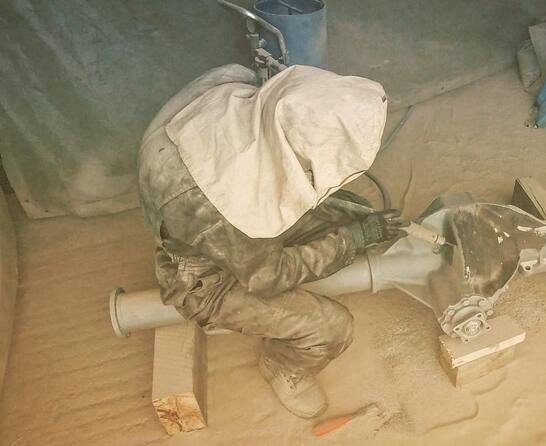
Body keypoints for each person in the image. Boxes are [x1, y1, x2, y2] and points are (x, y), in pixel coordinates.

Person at [138, 64, 407, 418]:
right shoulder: (227, 207)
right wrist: (351, 242)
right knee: (330, 328)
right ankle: (284, 367)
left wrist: (352, 229)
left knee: (351, 212)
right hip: (205, 275)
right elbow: (268, 275)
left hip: (207, 207)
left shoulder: (232, 85)